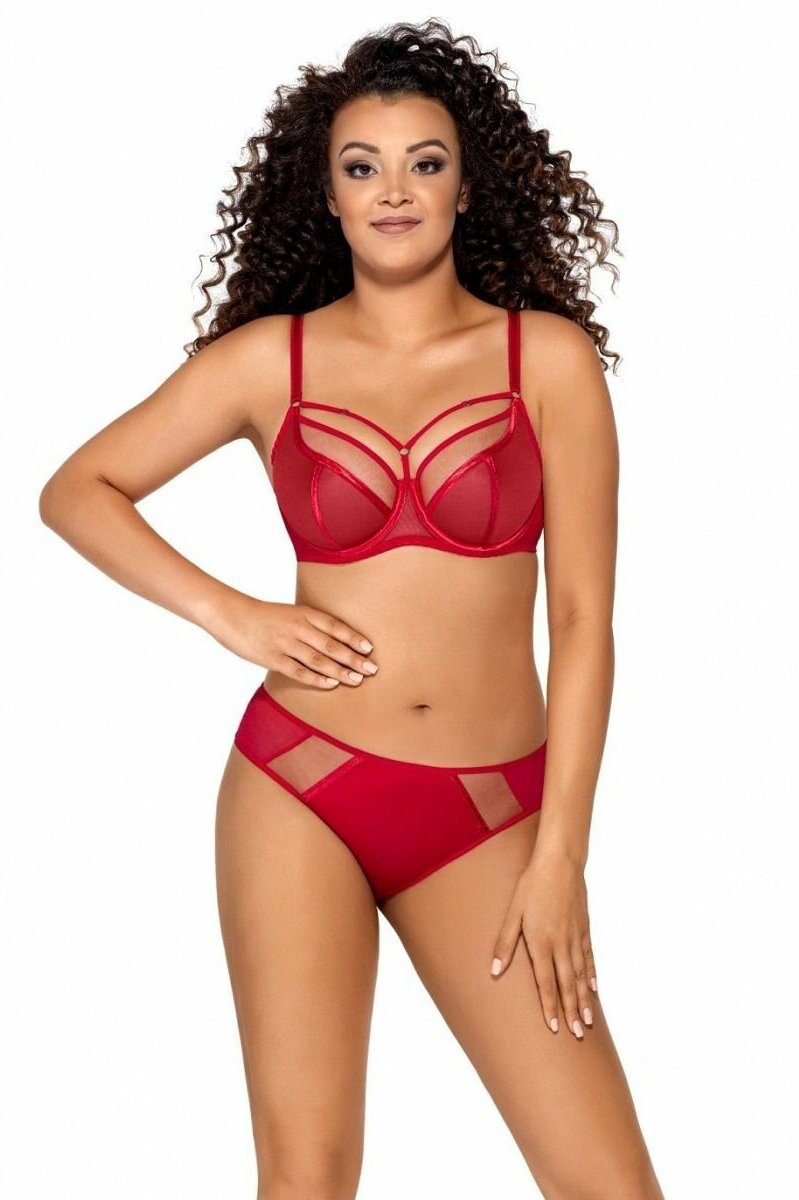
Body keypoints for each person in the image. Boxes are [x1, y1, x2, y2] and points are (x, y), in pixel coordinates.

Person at [39, 18, 665, 1200]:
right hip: (301, 783)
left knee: (607, 1185)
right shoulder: (268, 361)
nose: (394, 191)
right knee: (307, 1176)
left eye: (425, 163)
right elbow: (78, 490)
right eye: (362, 166)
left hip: (488, 814)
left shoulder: (546, 360)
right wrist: (232, 614)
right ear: (325, 194)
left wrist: (560, 858)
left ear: (467, 187)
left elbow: (584, 622)